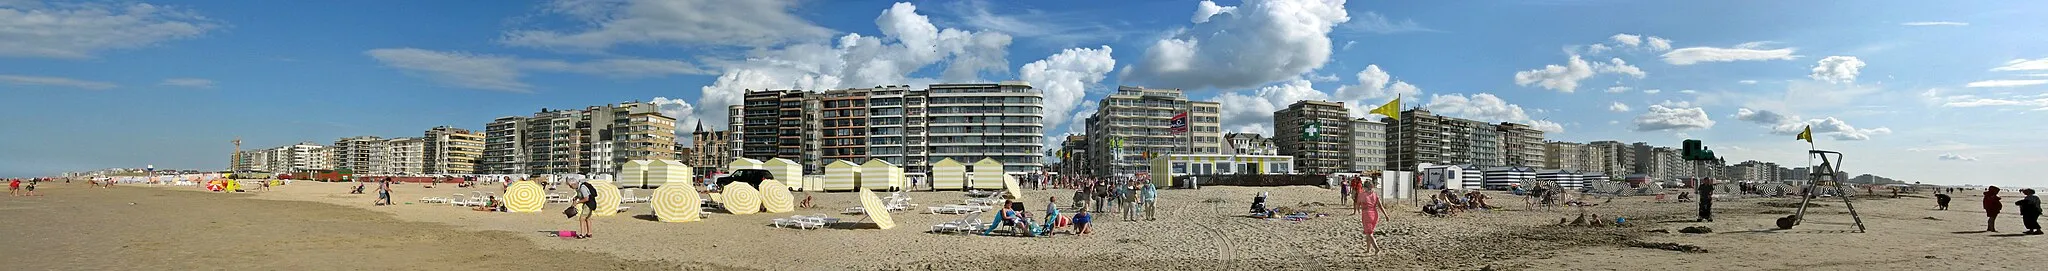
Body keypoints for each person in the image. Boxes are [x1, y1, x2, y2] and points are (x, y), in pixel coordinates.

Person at [1356, 179, 1386, 254]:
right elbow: (1380, 206)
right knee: (1368, 232)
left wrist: (1358, 210)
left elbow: (1358, 204)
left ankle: (1376, 248)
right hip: (1375, 214)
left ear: (1365, 187)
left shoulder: (1362, 194)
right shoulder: (1375, 194)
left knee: (1369, 233)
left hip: (1366, 214)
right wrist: (1386, 215)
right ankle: (1368, 249)